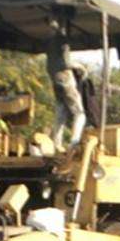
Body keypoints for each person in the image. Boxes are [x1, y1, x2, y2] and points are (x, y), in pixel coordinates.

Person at [46, 17, 86, 151]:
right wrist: (80, 67)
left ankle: (57, 144)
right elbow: (66, 63)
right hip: (65, 79)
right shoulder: (61, 40)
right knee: (79, 113)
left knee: (61, 112)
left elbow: (52, 64)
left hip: (54, 80)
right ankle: (74, 142)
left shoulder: (49, 43)